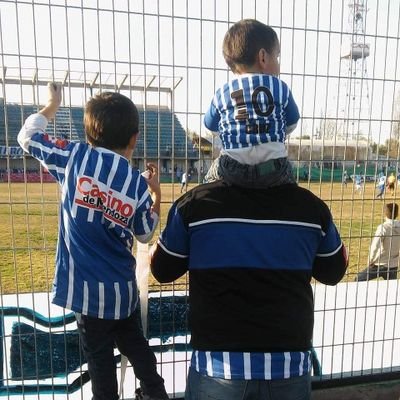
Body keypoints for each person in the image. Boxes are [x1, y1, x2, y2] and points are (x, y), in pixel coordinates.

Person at [18, 83, 169, 400]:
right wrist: (156, 195)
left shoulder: (74, 157)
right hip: (121, 292)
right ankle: (156, 393)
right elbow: (145, 233)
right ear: (133, 138)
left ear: (89, 133)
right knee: (136, 346)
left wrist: (51, 105)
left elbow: (27, 136)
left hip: (85, 294)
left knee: (100, 363)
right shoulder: (134, 182)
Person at [150, 179, 348, 399]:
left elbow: (162, 270)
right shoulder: (312, 207)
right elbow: (334, 271)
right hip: (288, 365)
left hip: (218, 366)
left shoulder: (193, 205)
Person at [203, 19, 300, 188]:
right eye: (276, 57)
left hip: (233, 168)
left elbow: (210, 126)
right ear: (263, 57)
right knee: (289, 179)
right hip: (272, 168)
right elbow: (292, 122)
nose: (278, 64)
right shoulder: (280, 87)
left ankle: (208, 201)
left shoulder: (222, 93)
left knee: (209, 179)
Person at [355, 203, 400, 281]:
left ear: (385, 213)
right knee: (391, 287)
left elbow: (375, 246)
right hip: (393, 265)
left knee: (358, 279)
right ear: (397, 213)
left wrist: (370, 260)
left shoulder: (383, 228)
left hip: (380, 264)